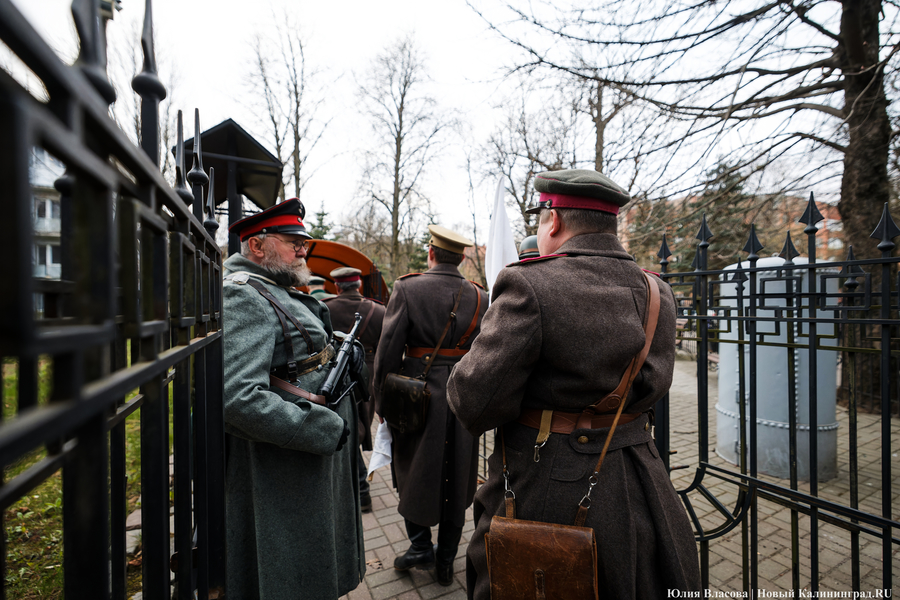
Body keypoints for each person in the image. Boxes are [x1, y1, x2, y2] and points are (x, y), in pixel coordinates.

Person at [446, 169, 701, 600]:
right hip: (643, 481)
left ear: (554, 220)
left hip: (548, 489)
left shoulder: (529, 282)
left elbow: (472, 401)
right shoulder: (657, 290)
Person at [222, 198, 366, 600]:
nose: (304, 250)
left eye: (304, 243)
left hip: (301, 463)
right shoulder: (242, 295)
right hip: (286, 467)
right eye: (293, 242)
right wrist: (317, 428)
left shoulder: (272, 287)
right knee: (292, 573)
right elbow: (237, 397)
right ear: (256, 246)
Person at [373, 225, 489, 587]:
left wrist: (382, 401)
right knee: (459, 476)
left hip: (415, 398)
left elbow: (387, 350)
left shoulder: (408, 287)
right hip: (464, 397)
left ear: (431, 253)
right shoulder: (479, 296)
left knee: (412, 472)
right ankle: (445, 561)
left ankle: (421, 546)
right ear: (462, 258)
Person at [323, 266, 386, 513]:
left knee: (345, 428)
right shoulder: (379, 309)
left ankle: (359, 488)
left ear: (337, 286)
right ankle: (359, 488)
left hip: (334, 372)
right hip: (369, 372)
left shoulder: (325, 306)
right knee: (360, 425)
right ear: (358, 285)